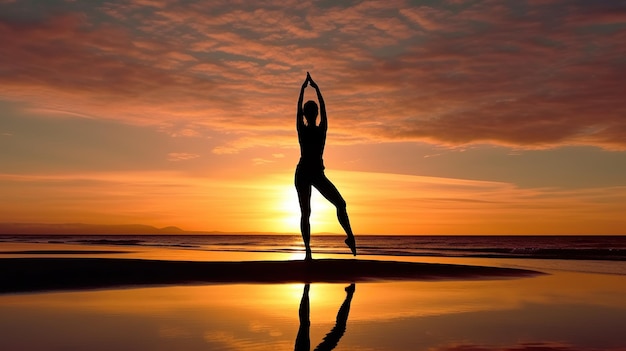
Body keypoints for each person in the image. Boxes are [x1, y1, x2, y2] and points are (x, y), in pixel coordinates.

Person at [295, 72, 356, 260]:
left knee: (340, 204)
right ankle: (307, 252)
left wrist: (305, 89)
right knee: (306, 212)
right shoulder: (306, 129)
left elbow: (302, 108)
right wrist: (315, 89)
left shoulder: (318, 129)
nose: (313, 114)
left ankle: (350, 238)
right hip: (304, 173)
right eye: (311, 112)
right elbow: (310, 108)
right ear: (310, 114)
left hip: (315, 173)